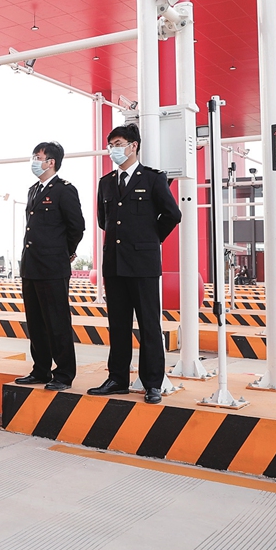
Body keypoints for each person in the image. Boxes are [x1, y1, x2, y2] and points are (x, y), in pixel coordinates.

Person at [87, 123, 181, 404]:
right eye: (111, 145)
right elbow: (103, 221)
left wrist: (151, 240)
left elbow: (172, 215)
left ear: (134, 145)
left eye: (118, 143)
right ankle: (117, 378)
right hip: (114, 265)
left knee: (149, 324)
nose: (113, 149)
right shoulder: (106, 182)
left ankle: (153, 383)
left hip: (143, 264)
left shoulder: (153, 179)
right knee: (118, 324)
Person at [14, 141, 85, 391]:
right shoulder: (33, 190)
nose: (35, 161)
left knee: (57, 322)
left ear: (51, 162)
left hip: (53, 267)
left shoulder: (64, 190)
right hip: (31, 267)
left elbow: (77, 226)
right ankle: (40, 370)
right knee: (36, 322)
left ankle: (64, 374)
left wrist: (66, 252)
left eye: (38, 157)